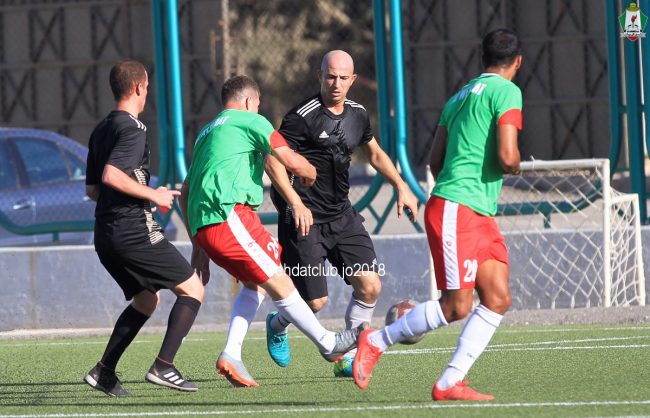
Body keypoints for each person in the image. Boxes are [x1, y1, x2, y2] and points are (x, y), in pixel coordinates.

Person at [217, 49, 419, 381]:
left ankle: (350, 356)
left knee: (370, 286)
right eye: (330, 76)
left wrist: (401, 185)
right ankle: (277, 323)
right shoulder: (300, 117)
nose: (336, 84)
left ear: (353, 80)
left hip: (341, 215)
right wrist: (295, 202)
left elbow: (374, 153)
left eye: (343, 78)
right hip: (304, 219)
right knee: (315, 303)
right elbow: (272, 160)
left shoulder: (358, 114)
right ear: (320, 76)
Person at [353, 28, 523, 401]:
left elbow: (435, 161)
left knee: (497, 298)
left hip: (474, 211)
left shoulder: (458, 97)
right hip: (459, 209)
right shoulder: (508, 91)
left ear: (482, 59)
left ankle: (450, 382)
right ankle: (377, 340)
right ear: (518, 62)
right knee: (456, 306)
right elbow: (509, 157)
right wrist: (513, 166)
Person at [179, 74, 364, 388]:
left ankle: (232, 353)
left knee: (257, 285)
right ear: (249, 101)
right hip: (230, 214)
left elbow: (185, 192)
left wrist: (198, 247)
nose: (258, 109)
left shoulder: (206, 133)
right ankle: (328, 343)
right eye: (258, 105)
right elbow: (290, 159)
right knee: (279, 280)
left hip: (204, 225)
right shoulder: (251, 121)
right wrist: (309, 171)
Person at [83, 60, 205, 397]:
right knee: (193, 289)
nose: (147, 92)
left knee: (146, 299)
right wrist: (153, 195)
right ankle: (163, 366)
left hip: (105, 235)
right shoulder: (133, 128)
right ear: (139, 87)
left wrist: (130, 197)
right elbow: (111, 175)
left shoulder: (101, 128)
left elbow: (92, 190)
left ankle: (104, 372)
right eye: (147, 87)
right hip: (132, 232)